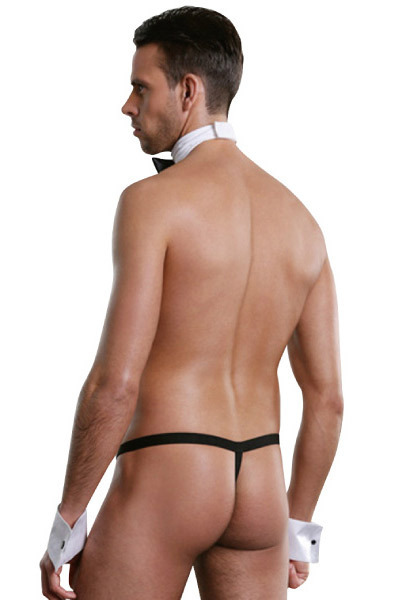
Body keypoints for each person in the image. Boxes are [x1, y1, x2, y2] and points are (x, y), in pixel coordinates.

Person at [39, 6, 343, 599]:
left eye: (140, 87)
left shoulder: (152, 203)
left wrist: (67, 521)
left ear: (188, 91)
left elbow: (114, 384)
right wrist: (296, 529)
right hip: (261, 482)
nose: (128, 106)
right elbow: (328, 400)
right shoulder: (303, 223)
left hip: (169, 469)